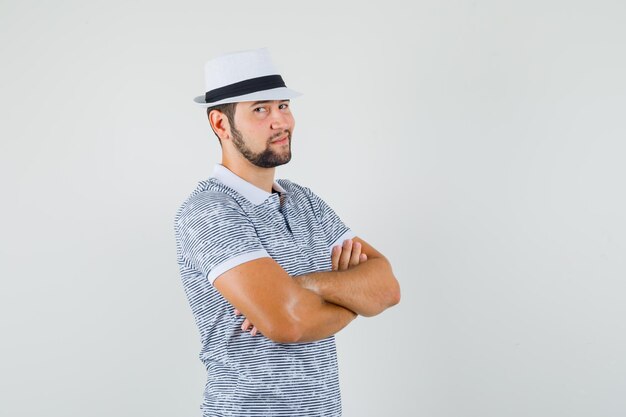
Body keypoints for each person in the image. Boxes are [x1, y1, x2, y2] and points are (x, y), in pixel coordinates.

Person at [174, 47, 401, 417]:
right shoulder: (211, 210)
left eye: (282, 106)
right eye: (260, 109)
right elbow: (289, 323)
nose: (280, 121)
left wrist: (306, 286)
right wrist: (353, 298)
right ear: (220, 124)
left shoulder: (304, 201)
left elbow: (387, 289)